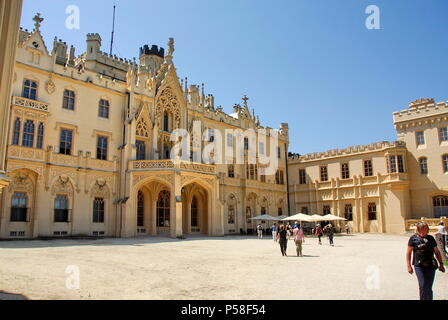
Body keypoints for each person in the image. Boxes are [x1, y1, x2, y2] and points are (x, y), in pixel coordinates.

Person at [406, 222, 445, 300]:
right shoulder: (413, 238)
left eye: (427, 228)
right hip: (419, 266)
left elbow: (436, 252)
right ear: (419, 229)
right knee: (423, 285)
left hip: (430, 265)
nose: (426, 229)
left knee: (428, 286)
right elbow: (408, 252)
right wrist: (409, 265)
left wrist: (441, 264)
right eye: (424, 227)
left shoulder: (430, 238)